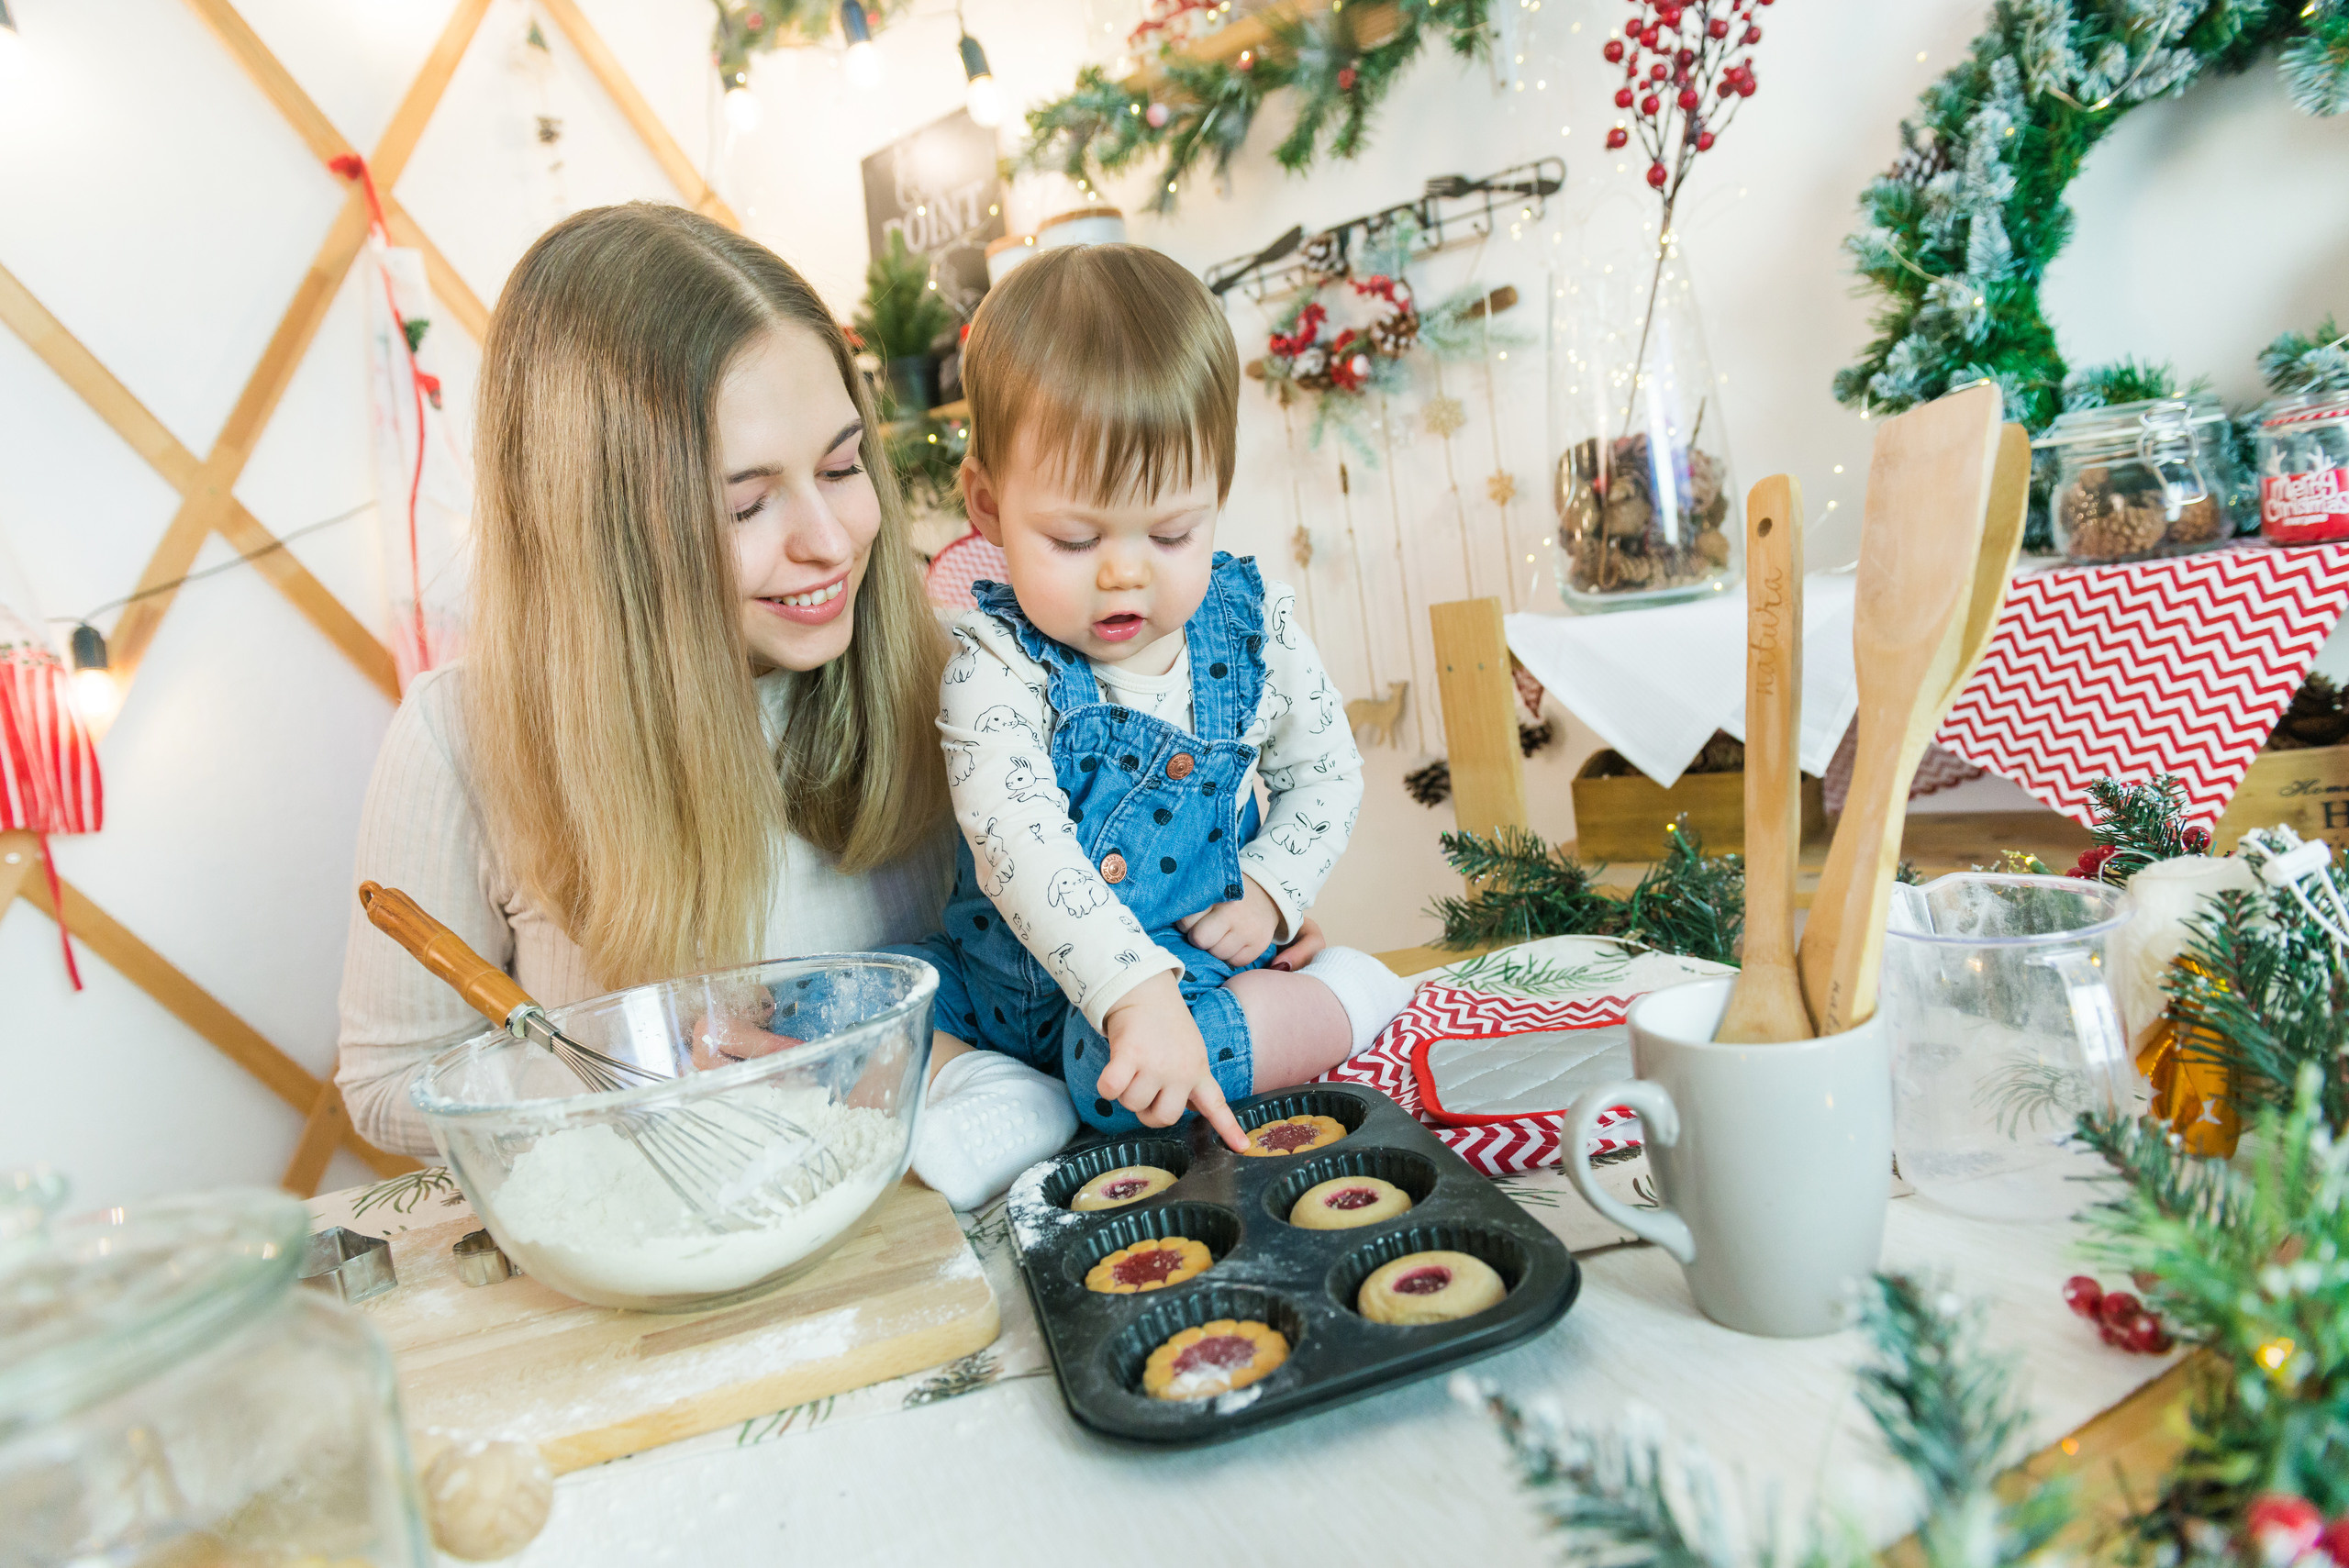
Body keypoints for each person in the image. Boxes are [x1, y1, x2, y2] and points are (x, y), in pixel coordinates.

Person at [336, 203, 960, 1156]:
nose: (829, 542)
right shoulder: (461, 737)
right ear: (601, 533)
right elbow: (385, 1085)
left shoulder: (958, 674)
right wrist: (623, 1066)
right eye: (746, 502)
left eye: (841, 468)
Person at [898, 244, 1409, 1207]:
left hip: (1182, 973)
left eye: (1172, 533)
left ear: (1215, 494)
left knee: (1122, 1076)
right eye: (1075, 539)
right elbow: (1020, 846)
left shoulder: (1254, 628)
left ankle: (1340, 997)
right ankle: (998, 1082)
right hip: (1005, 979)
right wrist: (1117, 986)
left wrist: (1271, 887)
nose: (1125, 572)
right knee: (871, 994)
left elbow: (1326, 775)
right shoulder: (994, 666)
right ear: (988, 507)